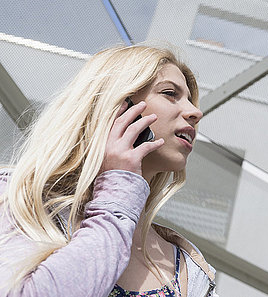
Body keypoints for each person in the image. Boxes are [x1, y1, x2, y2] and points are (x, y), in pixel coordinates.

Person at [0, 45, 218, 297]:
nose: (195, 112)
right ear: (117, 107)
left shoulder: (190, 266)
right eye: (170, 93)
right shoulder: (20, 201)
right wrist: (118, 186)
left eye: (190, 100)